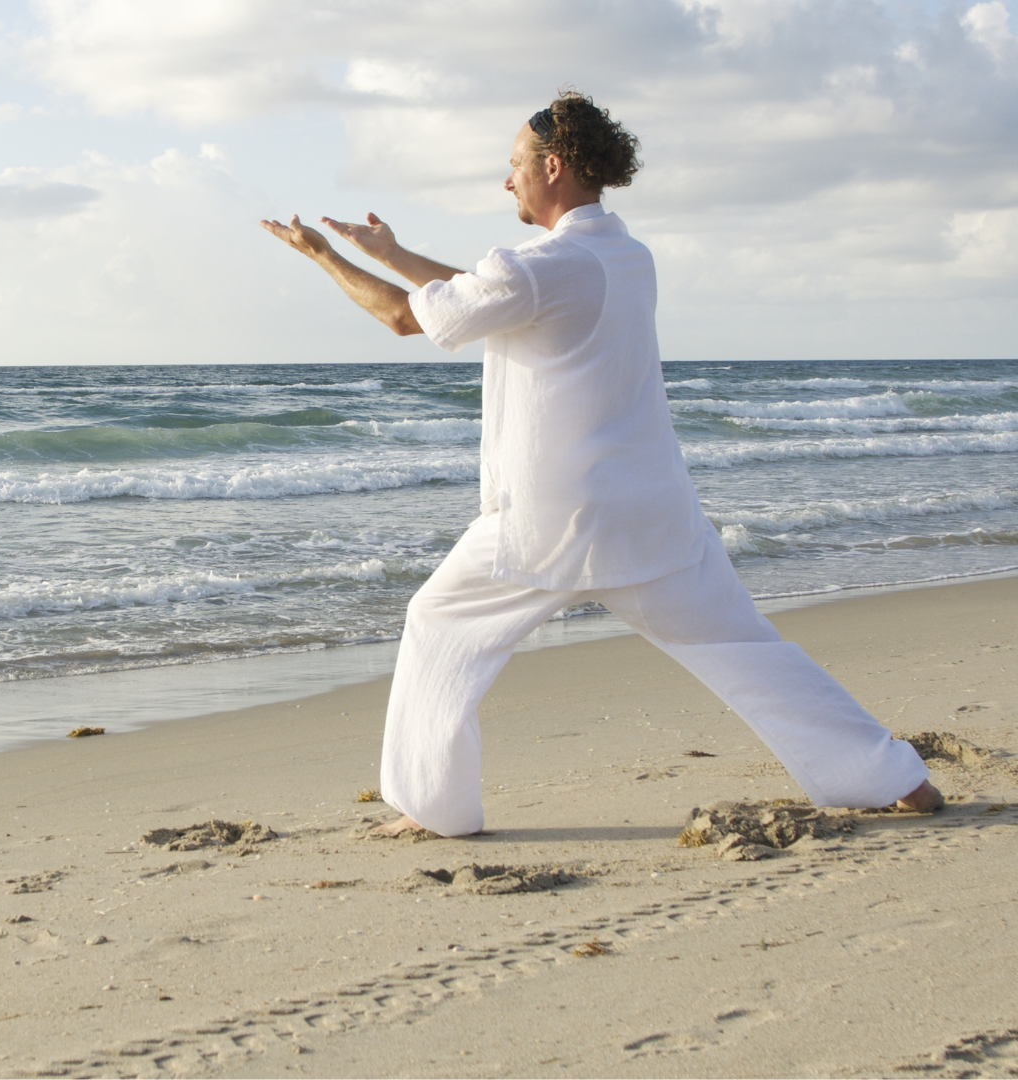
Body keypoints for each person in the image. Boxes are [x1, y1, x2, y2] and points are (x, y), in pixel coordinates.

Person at [260, 91, 943, 837]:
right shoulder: (621, 255)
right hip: (653, 515)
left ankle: (435, 809)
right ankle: (893, 777)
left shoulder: (537, 268)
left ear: (552, 166)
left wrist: (324, 256)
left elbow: (406, 316)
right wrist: (392, 252)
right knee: (747, 650)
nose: (507, 181)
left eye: (515, 165)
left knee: (437, 623)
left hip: (552, 522)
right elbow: (504, 291)